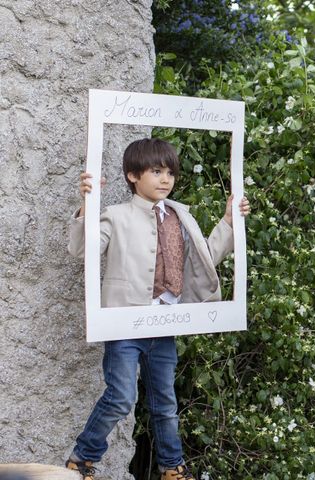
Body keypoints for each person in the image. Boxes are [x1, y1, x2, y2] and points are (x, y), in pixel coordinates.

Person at [66, 138, 250, 480]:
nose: (165, 179)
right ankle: (82, 458)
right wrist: (86, 206)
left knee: (165, 403)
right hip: (125, 325)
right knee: (121, 397)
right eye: (156, 171)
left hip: (165, 324)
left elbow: (205, 258)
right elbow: (82, 250)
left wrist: (228, 221)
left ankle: (172, 468)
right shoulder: (116, 216)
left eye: (169, 172)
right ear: (133, 175)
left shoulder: (180, 214)